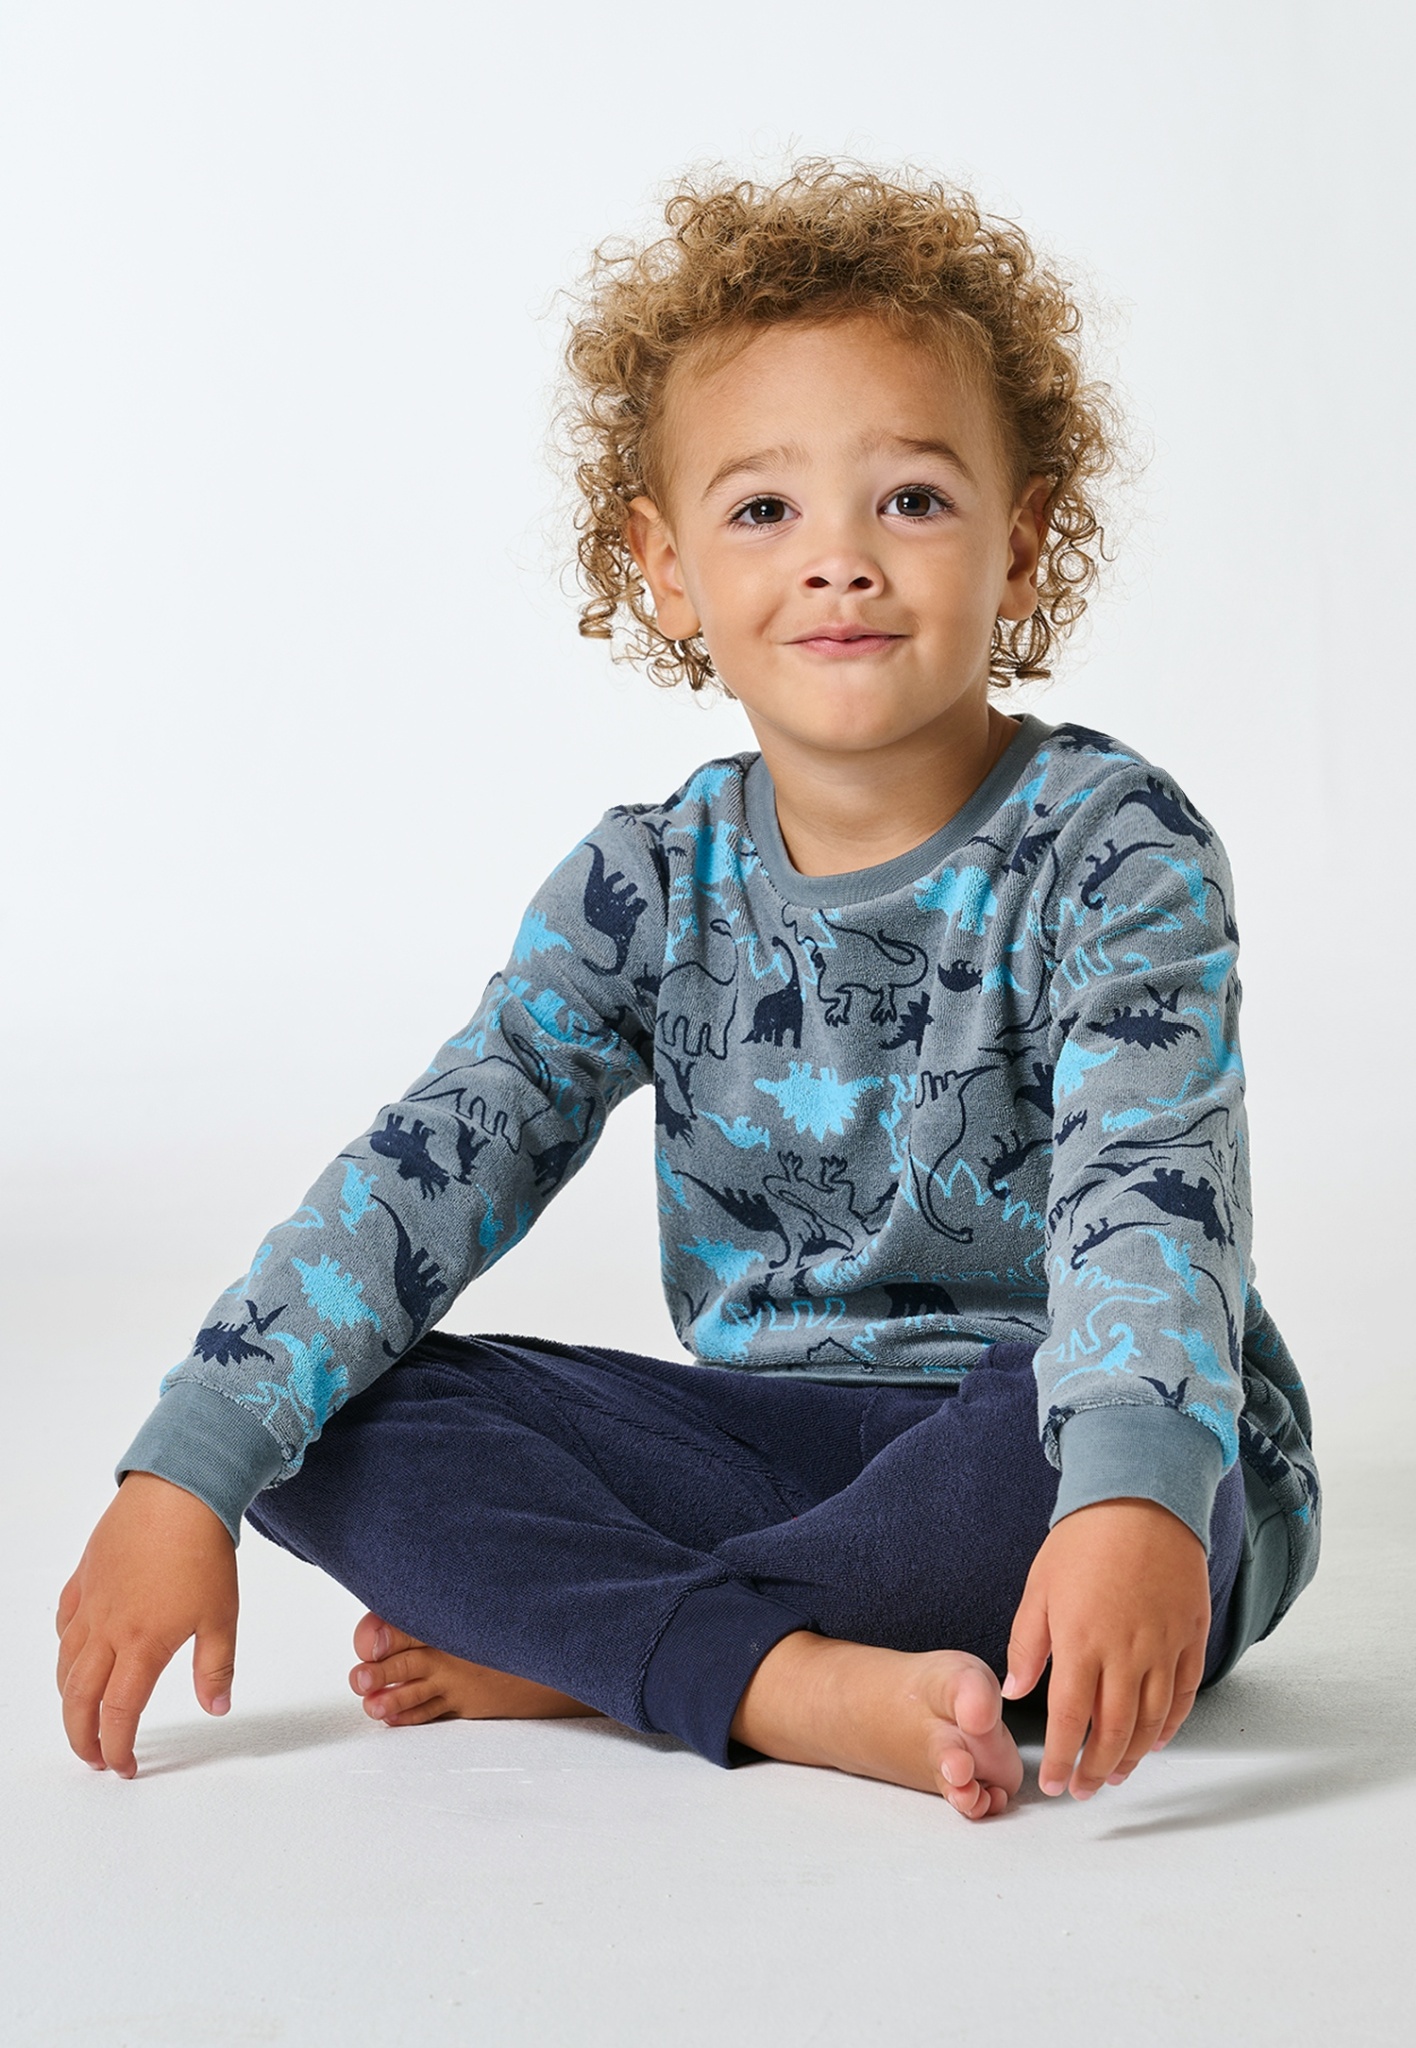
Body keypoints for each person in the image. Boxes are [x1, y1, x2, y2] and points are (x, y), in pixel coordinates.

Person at [55, 163, 1319, 1819]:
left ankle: (610, 1644)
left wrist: (1134, 1492)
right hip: (765, 1442)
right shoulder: (647, 885)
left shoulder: (1115, 849)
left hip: (1065, 1452)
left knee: (1086, 1451)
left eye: (913, 500)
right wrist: (186, 1467)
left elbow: (1155, 1197)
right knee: (343, 1414)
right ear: (666, 568)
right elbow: (428, 1166)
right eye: (764, 511)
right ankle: (781, 1677)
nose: (841, 562)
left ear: (1021, 544)